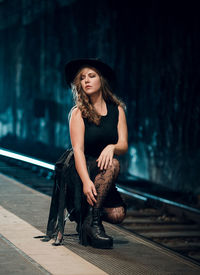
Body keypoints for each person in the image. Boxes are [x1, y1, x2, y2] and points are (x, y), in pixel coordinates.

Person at [42, 58, 128, 249]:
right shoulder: (78, 113)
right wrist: (87, 182)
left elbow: (123, 144)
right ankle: (94, 224)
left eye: (91, 76)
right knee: (113, 164)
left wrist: (111, 147)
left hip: (102, 171)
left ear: (101, 80)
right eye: (82, 78)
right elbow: (78, 151)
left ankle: (84, 214)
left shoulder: (117, 110)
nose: (86, 80)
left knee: (118, 214)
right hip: (80, 171)